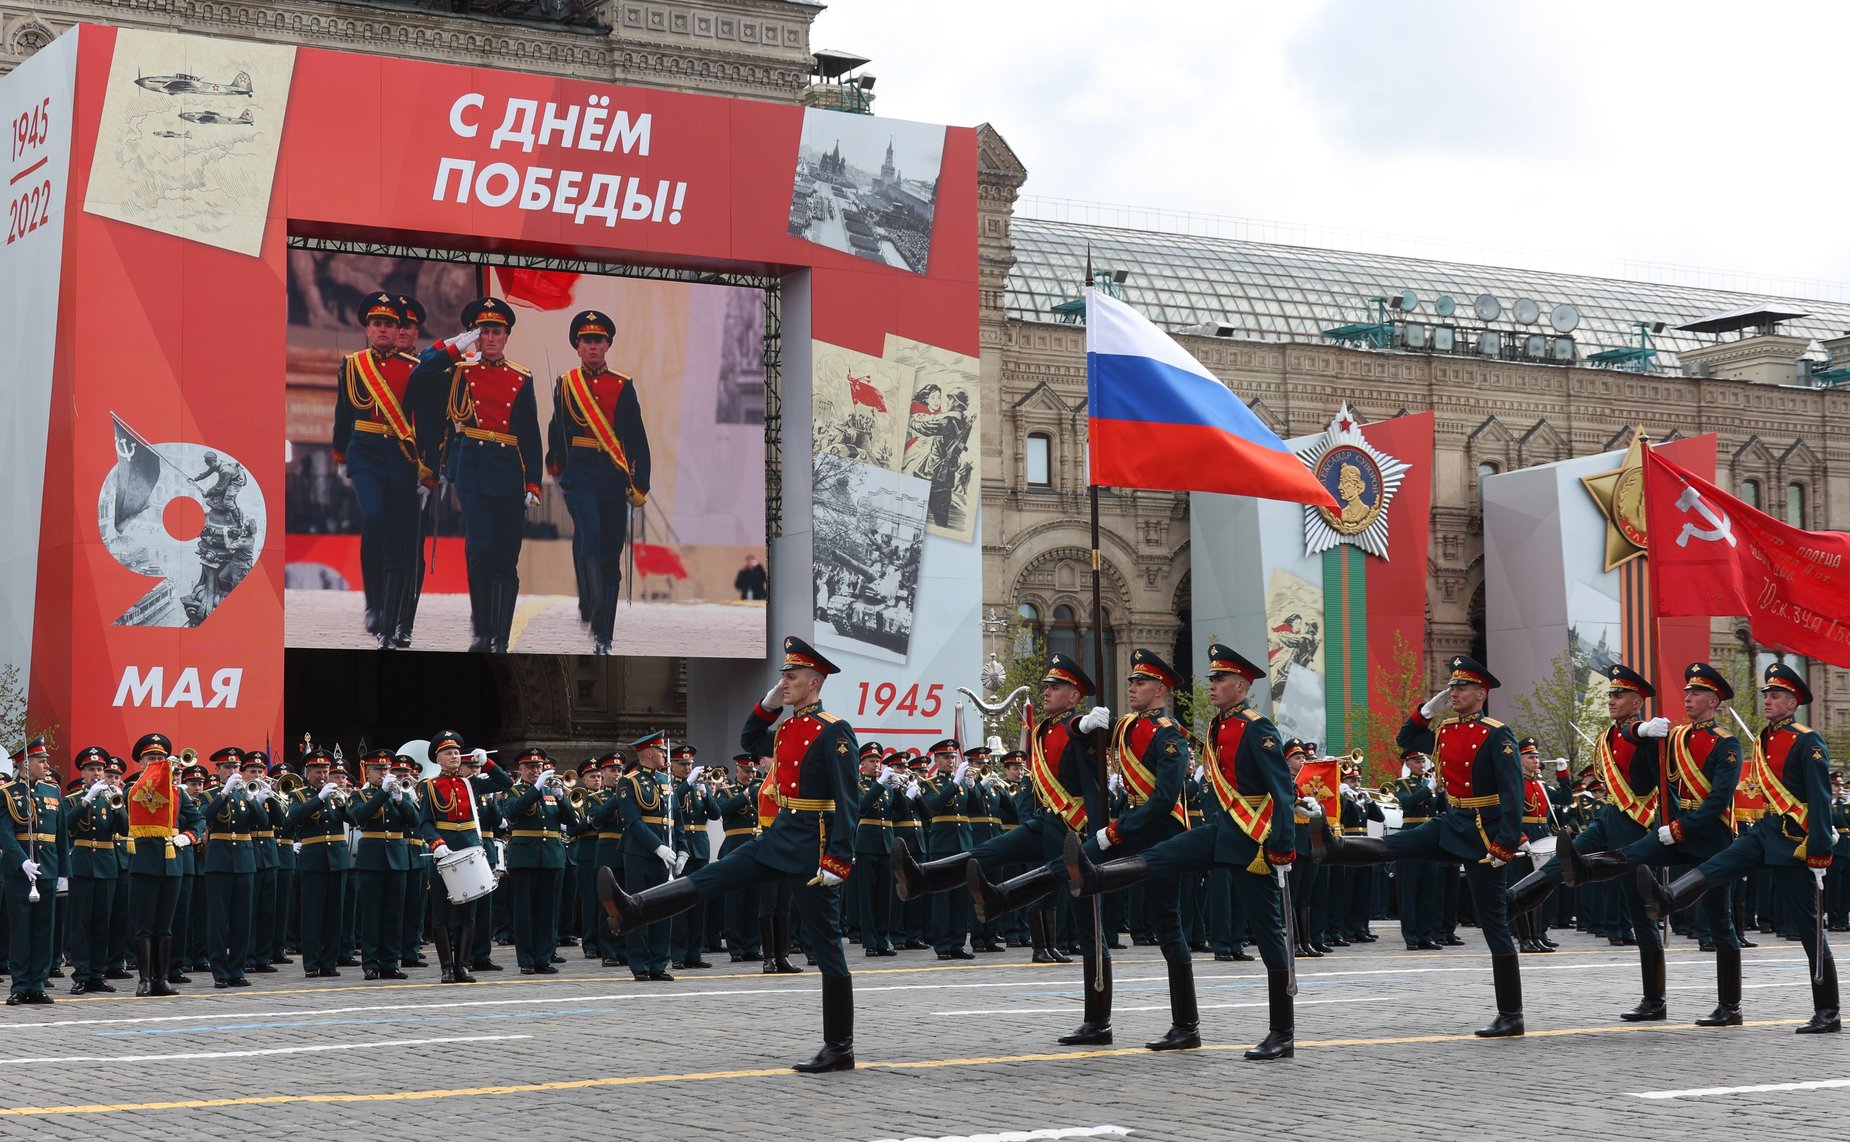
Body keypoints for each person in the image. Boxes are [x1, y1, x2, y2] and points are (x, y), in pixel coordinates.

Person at [600, 636, 861, 1072]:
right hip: (781, 835)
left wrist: (839, 858)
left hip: (812, 848)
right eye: (783, 675)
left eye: (791, 676)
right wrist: (769, 702)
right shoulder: (791, 726)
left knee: (827, 946)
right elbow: (750, 737)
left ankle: (840, 1047)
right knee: (716, 875)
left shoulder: (834, 730)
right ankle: (634, 909)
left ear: (814, 683)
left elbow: (848, 800)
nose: (785, 680)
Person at [1063, 645, 1299, 1059]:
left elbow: (1282, 791)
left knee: (1267, 934)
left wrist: (1281, 847)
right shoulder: (1217, 726)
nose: (1211, 685)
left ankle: (1282, 1032)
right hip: (1219, 831)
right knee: (1163, 855)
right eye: (1210, 679)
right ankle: (1097, 875)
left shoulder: (1257, 729)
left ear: (1241, 686)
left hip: (1253, 842)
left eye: (1219, 679)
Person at [1310, 654, 1526, 1037]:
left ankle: (1511, 1014)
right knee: (1399, 844)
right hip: (1452, 821)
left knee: (1493, 920)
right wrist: (1426, 710)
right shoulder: (1445, 731)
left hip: (1482, 830)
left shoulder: (1497, 734)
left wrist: (1505, 843)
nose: (1453, 692)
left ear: (1481, 692)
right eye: (1451, 686)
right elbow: (1406, 740)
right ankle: (1334, 848)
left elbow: (1512, 792)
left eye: (1461, 687)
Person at [1640, 662, 1838, 1034]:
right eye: (1766, 695)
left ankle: (1827, 1010)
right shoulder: (1764, 737)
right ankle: (1668, 897)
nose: (1767, 700)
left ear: (1793, 702)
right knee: (1718, 864)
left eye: (1775, 695)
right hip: (1764, 831)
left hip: (1794, 841)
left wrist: (1820, 852)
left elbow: (1820, 798)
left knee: (1809, 928)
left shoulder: (1806, 740)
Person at [1506, 664, 1673, 1016]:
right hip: (1610, 816)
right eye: (1610, 694)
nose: (1611, 699)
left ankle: (1654, 999)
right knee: (1560, 862)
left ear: (1638, 700)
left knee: (1641, 910)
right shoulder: (1610, 733)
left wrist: (1644, 729)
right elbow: (1624, 737)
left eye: (1619, 694)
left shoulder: (1642, 734)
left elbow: (1635, 739)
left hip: (1634, 823)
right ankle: (1512, 901)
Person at [411, 297, 542, 653]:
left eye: (496, 331)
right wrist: (454, 347)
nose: (490, 337)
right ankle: (482, 632)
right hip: (471, 466)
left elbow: (530, 435)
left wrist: (533, 482)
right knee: (481, 550)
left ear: (506, 336)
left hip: (509, 471)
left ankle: (501, 634)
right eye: (483, 331)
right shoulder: (459, 369)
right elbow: (421, 370)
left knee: (506, 557)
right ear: (476, 335)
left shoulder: (521, 377)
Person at [332, 291, 436, 649]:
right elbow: (344, 413)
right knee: (377, 524)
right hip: (370, 454)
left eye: (404, 326)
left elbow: (436, 423)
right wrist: (340, 455)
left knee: (410, 550)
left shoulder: (424, 368)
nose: (396, 332)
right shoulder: (357, 364)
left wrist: (431, 469)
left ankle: (403, 620)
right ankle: (380, 611)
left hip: (409, 464)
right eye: (387, 324)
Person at [545, 309, 650, 656]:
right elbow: (557, 426)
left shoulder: (622, 385)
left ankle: (605, 633)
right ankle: (589, 601)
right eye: (586, 340)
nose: (592, 346)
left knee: (610, 556)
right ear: (578, 346)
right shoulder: (566, 382)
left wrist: (641, 483)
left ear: (607, 345)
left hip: (612, 474)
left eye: (598, 341)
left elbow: (635, 436)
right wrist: (555, 464)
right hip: (579, 472)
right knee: (589, 532)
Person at [416, 732, 511, 982]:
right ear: (437, 758)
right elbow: (425, 822)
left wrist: (488, 763)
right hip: (445, 850)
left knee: (469, 912)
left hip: (470, 849)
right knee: (441, 912)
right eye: (448, 752)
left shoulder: (471, 783)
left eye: (457, 752)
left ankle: (463, 965)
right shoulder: (430, 786)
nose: (455, 756)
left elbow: (505, 784)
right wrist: (436, 843)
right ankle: (447, 966)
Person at [3, 740, 67, 1005]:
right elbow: (4, 832)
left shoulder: (53, 792)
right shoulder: (7, 793)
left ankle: (37, 984)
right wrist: (21, 861)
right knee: (21, 928)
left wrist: (64, 872)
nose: (46, 765)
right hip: (21, 871)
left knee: (44, 928)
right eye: (41, 761)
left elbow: (61, 835)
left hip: (48, 867)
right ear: (24, 765)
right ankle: (20, 984)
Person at [503, 749, 575, 975]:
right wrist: (535, 789)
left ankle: (543, 957)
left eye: (539, 767)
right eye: (530, 767)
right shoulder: (513, 790)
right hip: (525, 857)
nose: (535, 771)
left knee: (548, 910)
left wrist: (562, 798)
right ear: (521, 770)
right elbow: (513, 813)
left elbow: (572, 821)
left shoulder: (551, 792)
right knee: (524, 910)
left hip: (552, 857)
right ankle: (526, 959)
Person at [351, 750, 416, 980]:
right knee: (372, 913)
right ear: (367, 772)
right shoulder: (360, 794)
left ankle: (390, 962)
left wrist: (399, 798)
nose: (384, 773)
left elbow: (415, 820)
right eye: (378, 770)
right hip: (372, 858)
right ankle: (370, 962)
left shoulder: (400, 793)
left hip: (397, 857)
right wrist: (382, 793)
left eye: (387, 769)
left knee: (394, 913)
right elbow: (360, 816)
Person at [289, 749, 354, 978]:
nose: (323, 775)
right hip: (313, 859)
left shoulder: (338, 794)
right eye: (318, 771)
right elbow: (294, 818)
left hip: (337, 859)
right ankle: (312, 963)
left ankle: (329, 963)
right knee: (313, 913)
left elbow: (356, 819)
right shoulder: (299, 795)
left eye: (326, 771)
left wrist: (344, 802)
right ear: (308, 773)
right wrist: (319, 798)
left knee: (335, 914)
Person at [64, 746, 123, 995]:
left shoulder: (112, 799)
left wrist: (119, 804)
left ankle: (98, 974)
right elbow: (66, 826)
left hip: (107, 863)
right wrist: (86, 800)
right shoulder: (73, 800)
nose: (97, 774)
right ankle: (81, 974)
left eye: (100, 769)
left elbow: (126, 828)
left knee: (102, 923)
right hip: (82, 864)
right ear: (83, 773)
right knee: (81, 923)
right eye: (91, 769)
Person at [202, 748, 262, 988]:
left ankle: (237, 970)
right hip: (219, 862)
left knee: (241, 919)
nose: (233, 771)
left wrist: (252, 799)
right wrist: (224, 793)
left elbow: (263, 822)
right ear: (218, 770)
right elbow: (205, 817)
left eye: (236, 767)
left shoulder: (247, 794)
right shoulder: (210, 795)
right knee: (218, 920)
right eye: (227, 767)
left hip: (245, 862)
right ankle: (220, 972)